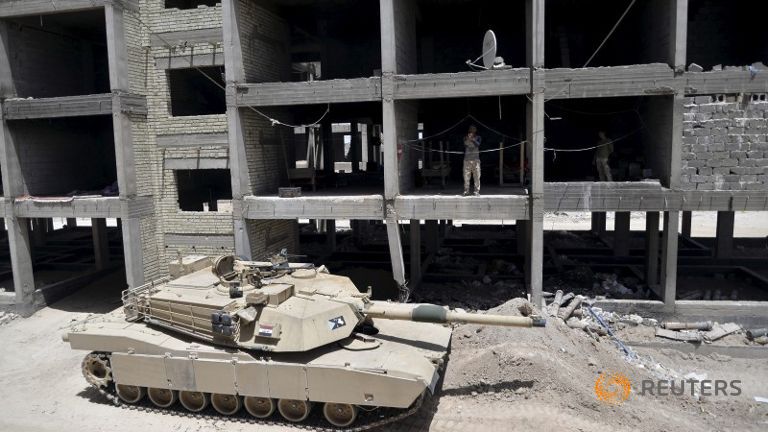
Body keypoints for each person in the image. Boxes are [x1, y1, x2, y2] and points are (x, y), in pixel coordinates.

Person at [463, 125, 482, 196]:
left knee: (477, 176)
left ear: (475, 130)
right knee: (466, 176)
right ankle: (466, 191)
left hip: (476, 159)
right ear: (469, 130)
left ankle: (476, 191)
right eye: (471, 129)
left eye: (474, 129)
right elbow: (465, 145)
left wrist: (473, 139)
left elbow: (478, 144)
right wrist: (469, 138)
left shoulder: (478, 137)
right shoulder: (465, 137)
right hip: (467, 159)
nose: (472, 130)